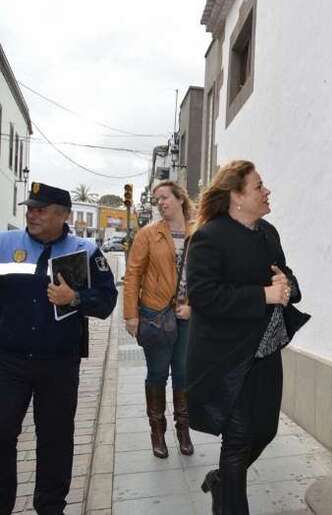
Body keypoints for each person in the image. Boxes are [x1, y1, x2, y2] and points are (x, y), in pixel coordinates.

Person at [186, 160, 309, 514]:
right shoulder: (209, 237)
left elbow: (285, 277)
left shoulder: (268, 232)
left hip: (266, 350)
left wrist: (287, 286)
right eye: (258, 186)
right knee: (238, 440)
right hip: (227, 357)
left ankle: (221, 481)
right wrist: (262, 295)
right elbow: (202, 296)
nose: (266, 191)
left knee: (265, 430)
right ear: (236, 196)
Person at [0, 183, 117, 514]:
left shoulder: (86, 251)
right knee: (2, 432)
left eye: (41, 210)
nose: (32, 215)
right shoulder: (5, 244)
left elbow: (107, 300)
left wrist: (75, 298)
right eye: (30, 208)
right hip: (9, 362)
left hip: (59, 364)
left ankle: (50, 507)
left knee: (55, 439)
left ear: (63, 215)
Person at [123, 181, 195, 458]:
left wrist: (194, 306)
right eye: (157, 200)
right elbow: (133, 274)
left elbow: (207, 275)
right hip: (155, 314)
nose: (161, 203)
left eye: (165, 197)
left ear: (180, 198)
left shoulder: (198, 233)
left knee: (183, 373)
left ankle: (184, 431)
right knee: (157, 373)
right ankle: (157, 432)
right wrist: (131, 315)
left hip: (187, 316)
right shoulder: (148, 234)